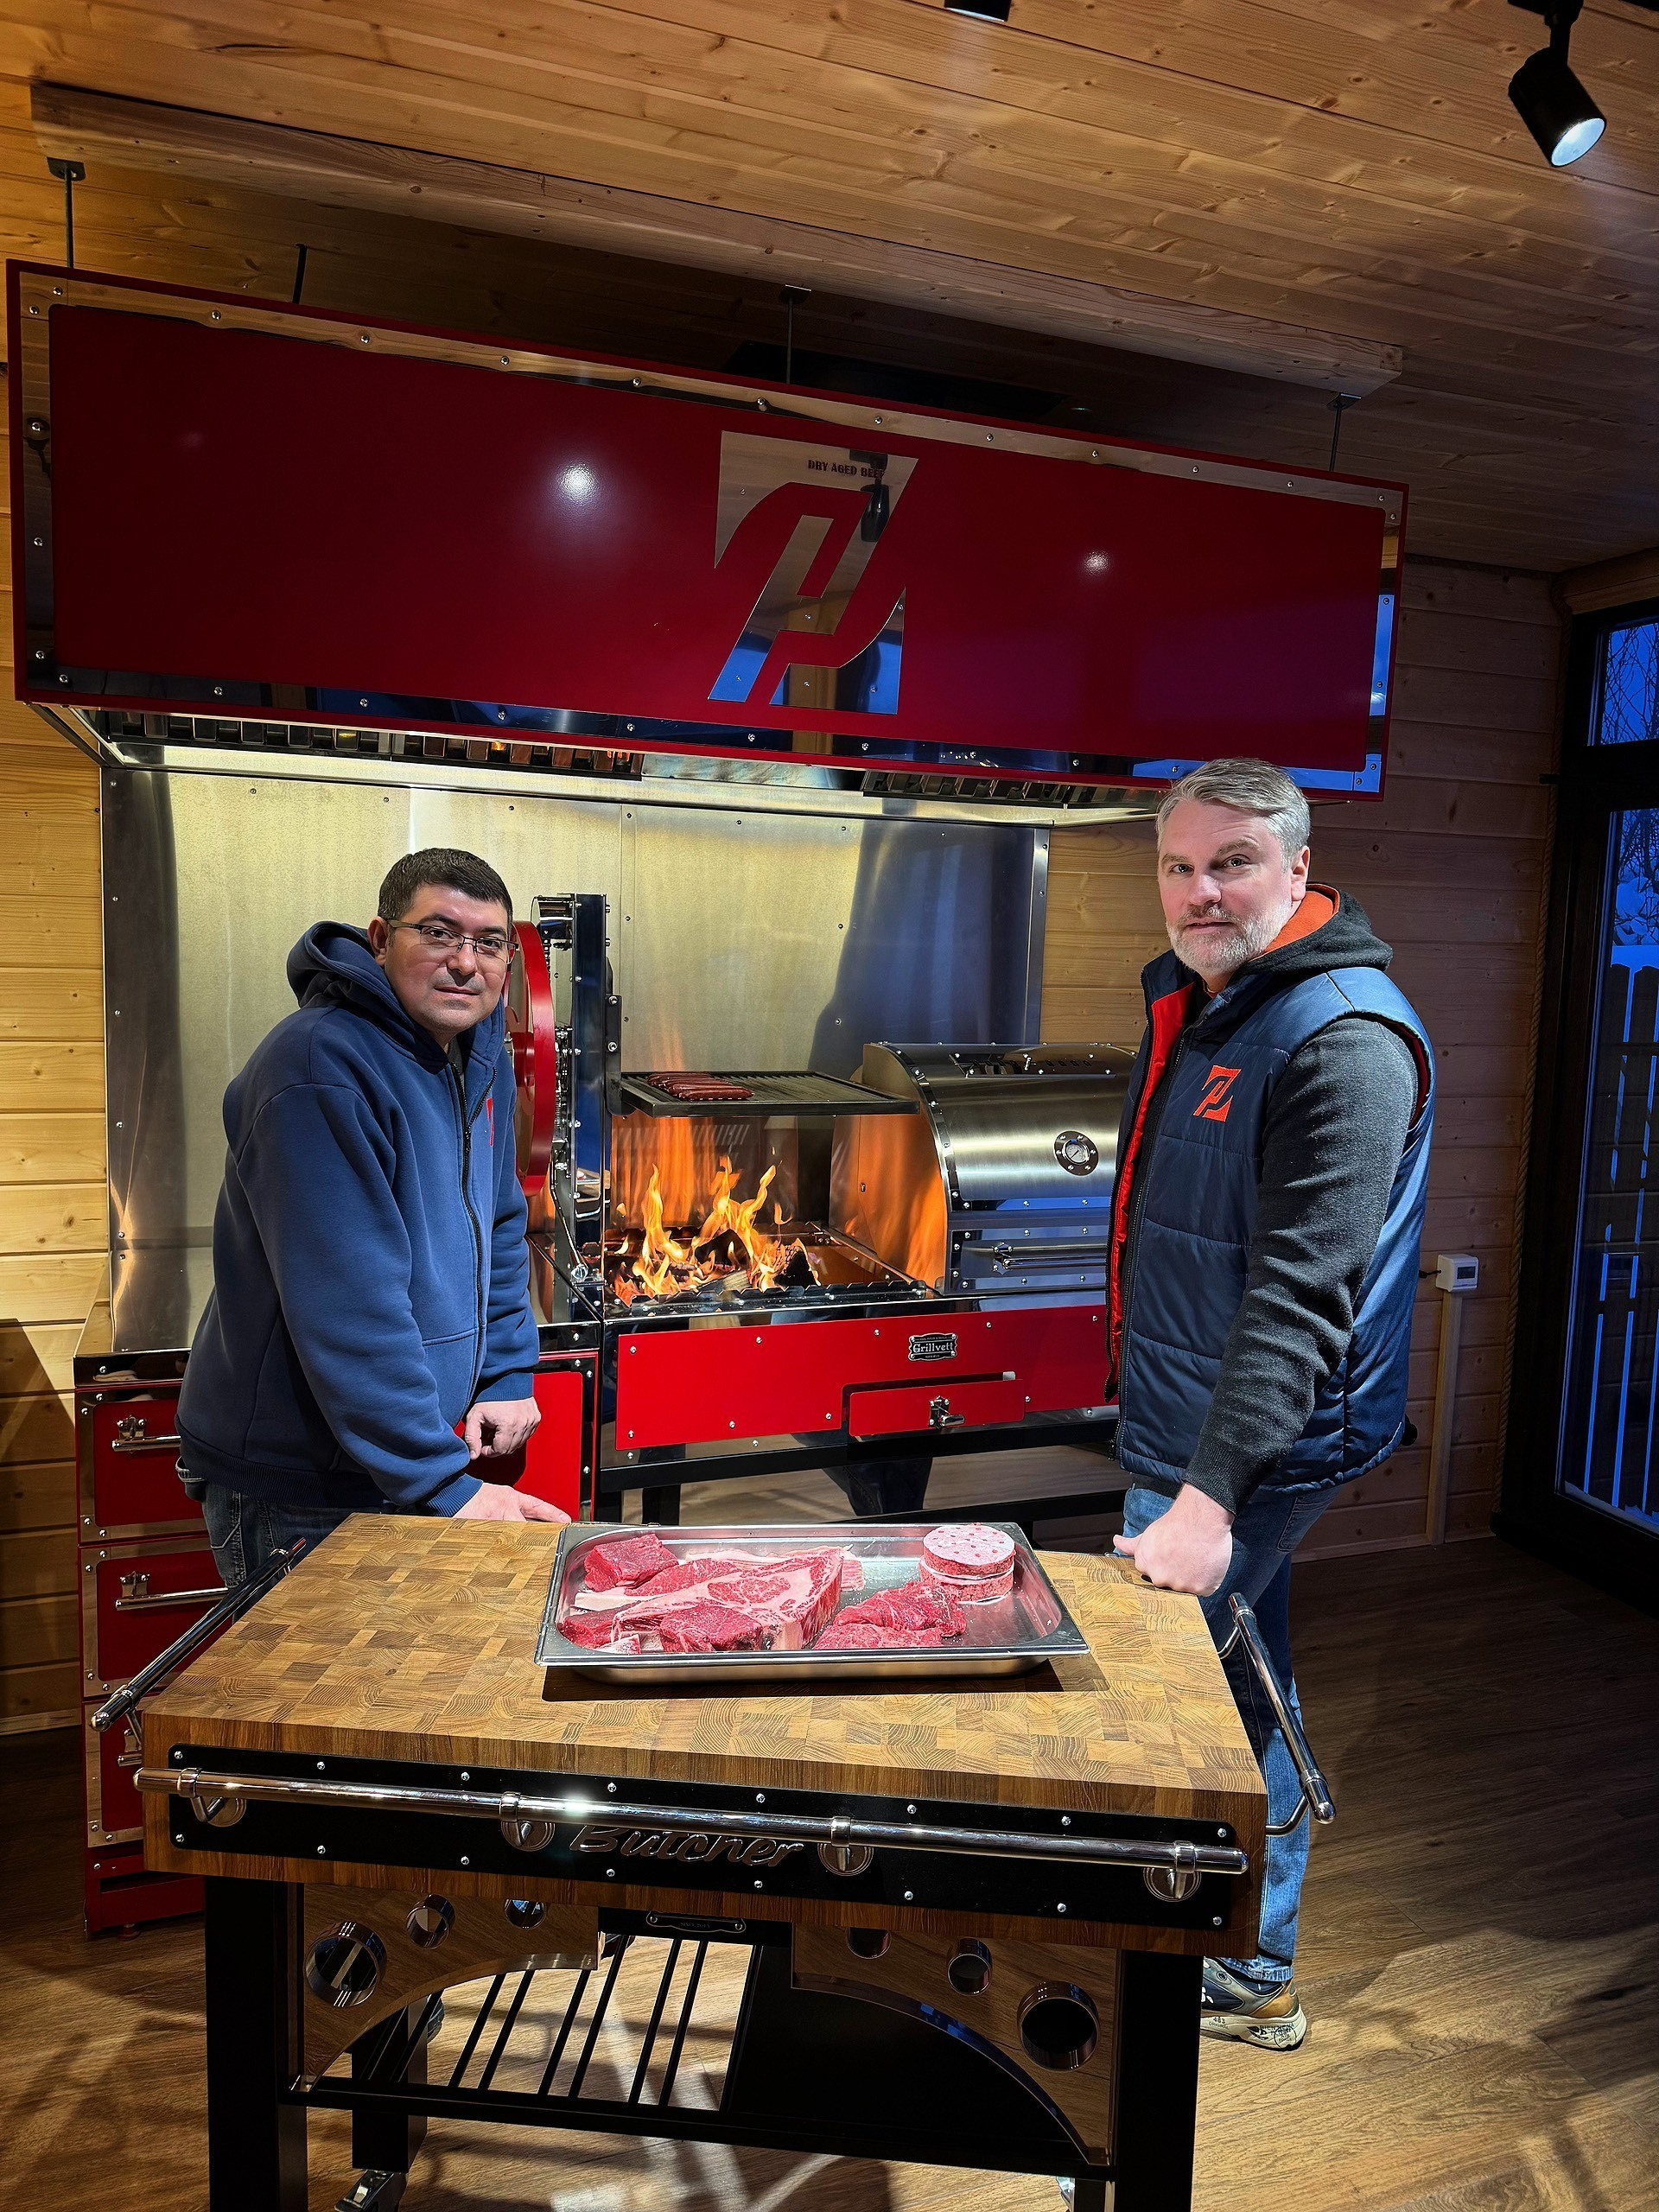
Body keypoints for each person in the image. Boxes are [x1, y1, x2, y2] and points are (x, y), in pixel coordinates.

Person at [1107, 758, 1433, 2050]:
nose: (1200, 891)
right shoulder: (1217, 1002)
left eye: (1231, 861)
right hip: (1196, 1404)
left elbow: (1303, 1295)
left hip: (1254, 1439)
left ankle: (1240, 1963)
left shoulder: (1342, 1037)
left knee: (1176, 1689)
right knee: (1246, 1679)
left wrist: (1209, 1496)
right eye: (1179, 867)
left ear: (1298, 869)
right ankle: (1253, 1957)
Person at [178, 847, 569, 1589]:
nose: (466, 962)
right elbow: (349, 1303)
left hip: (389, 1460)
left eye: (489, 943)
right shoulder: (319, 1067)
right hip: (302, 1487)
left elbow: (501, 1224)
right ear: (381, 938)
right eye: (439, 933)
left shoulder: (465, 1055)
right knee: (313, 1701)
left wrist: (507, 1371)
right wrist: (439, 1481)